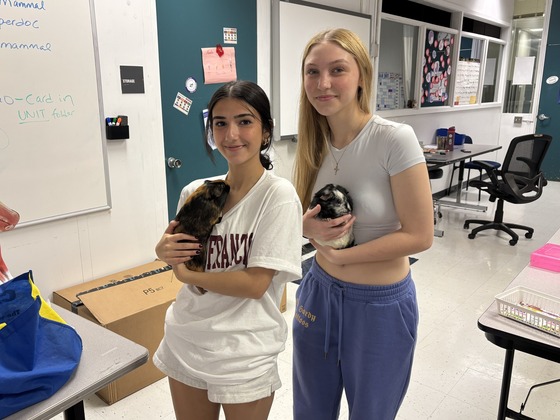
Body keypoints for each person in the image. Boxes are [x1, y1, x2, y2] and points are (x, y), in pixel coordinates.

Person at [292, 28, 434, 419]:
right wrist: (304, 230)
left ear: (361, 76)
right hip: (317, 294)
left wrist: (343, 260)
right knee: (310, 411)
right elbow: (304, 222)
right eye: (312, 72)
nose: (323, 84)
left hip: (379, 308)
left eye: (337, 70)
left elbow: (420, 236)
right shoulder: (310, 145)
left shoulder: (394, 139)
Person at [153, 80, 303, 420]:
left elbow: (254, 285)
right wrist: (165, 252)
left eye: (245, 121)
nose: (231, 134)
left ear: (266, 131)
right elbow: (180, 255)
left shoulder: (277, 197)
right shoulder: (197, 192)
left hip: (244, 352)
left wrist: (186, 273)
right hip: (187, 339)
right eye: (220, 123)